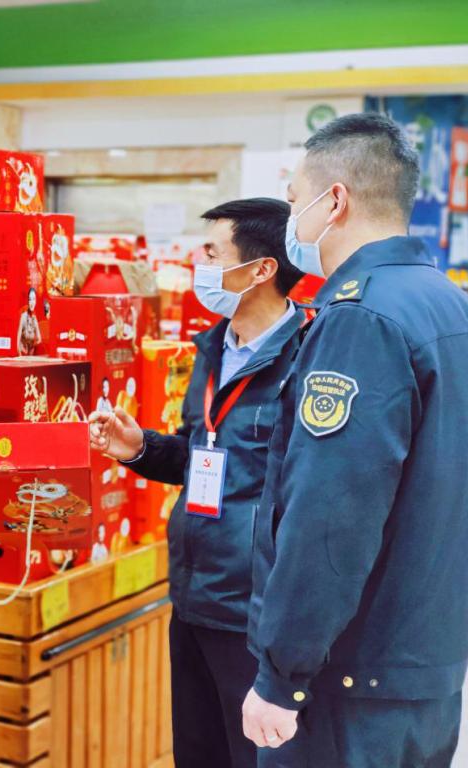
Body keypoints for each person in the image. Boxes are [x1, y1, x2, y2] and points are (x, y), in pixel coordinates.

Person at [242, 113, 468, 768]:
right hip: (425, 668)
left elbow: (330, 517)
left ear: (335, 201)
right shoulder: (461, 312)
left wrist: (281, 676)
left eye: (295, 200)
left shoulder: (360, 319)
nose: (291, 218)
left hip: (349, 680)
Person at [89, 198, 305, 768]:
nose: (199, 266)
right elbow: (205, 455)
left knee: (253, 757)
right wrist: (140, 448)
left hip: (255, 611)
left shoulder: (307, 358)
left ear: (261, 269)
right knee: (197, 751)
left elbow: (312, 490)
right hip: (192, 596)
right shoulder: (212, 349)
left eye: (212, 253)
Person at [18, 286, 43, 356]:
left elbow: (39, 339)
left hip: (30, 353)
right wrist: (20, 350)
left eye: (34, 299)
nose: (32, 302)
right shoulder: (23, 316)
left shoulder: (34, 318)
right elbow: (18, 339)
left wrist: (32, 345)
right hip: (23, 352)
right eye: (30, 299)